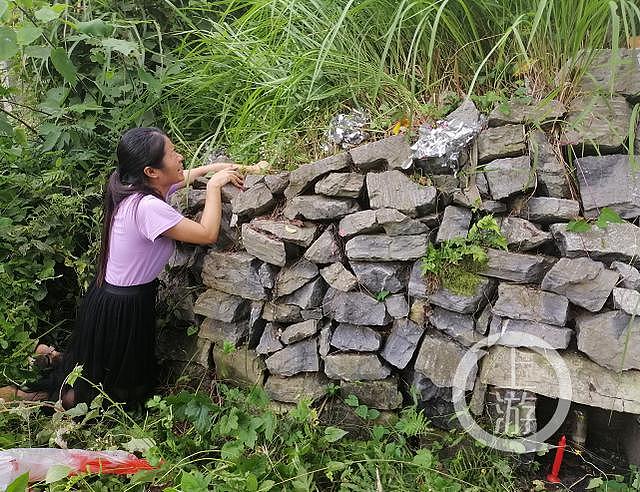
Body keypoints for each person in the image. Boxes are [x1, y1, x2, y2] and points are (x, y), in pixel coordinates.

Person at [0, 127, 261, 408]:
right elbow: (207, 233)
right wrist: (213, 187)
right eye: (173, 153)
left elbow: (190, 173)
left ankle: (54, 358)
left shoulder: (135, 189)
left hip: (111, 299)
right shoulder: (148, 207)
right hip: (122, 310)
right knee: (106, 394)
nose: (181, 157)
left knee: (101, 372)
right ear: (151, 171)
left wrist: (233, 168)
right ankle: (29, 397)